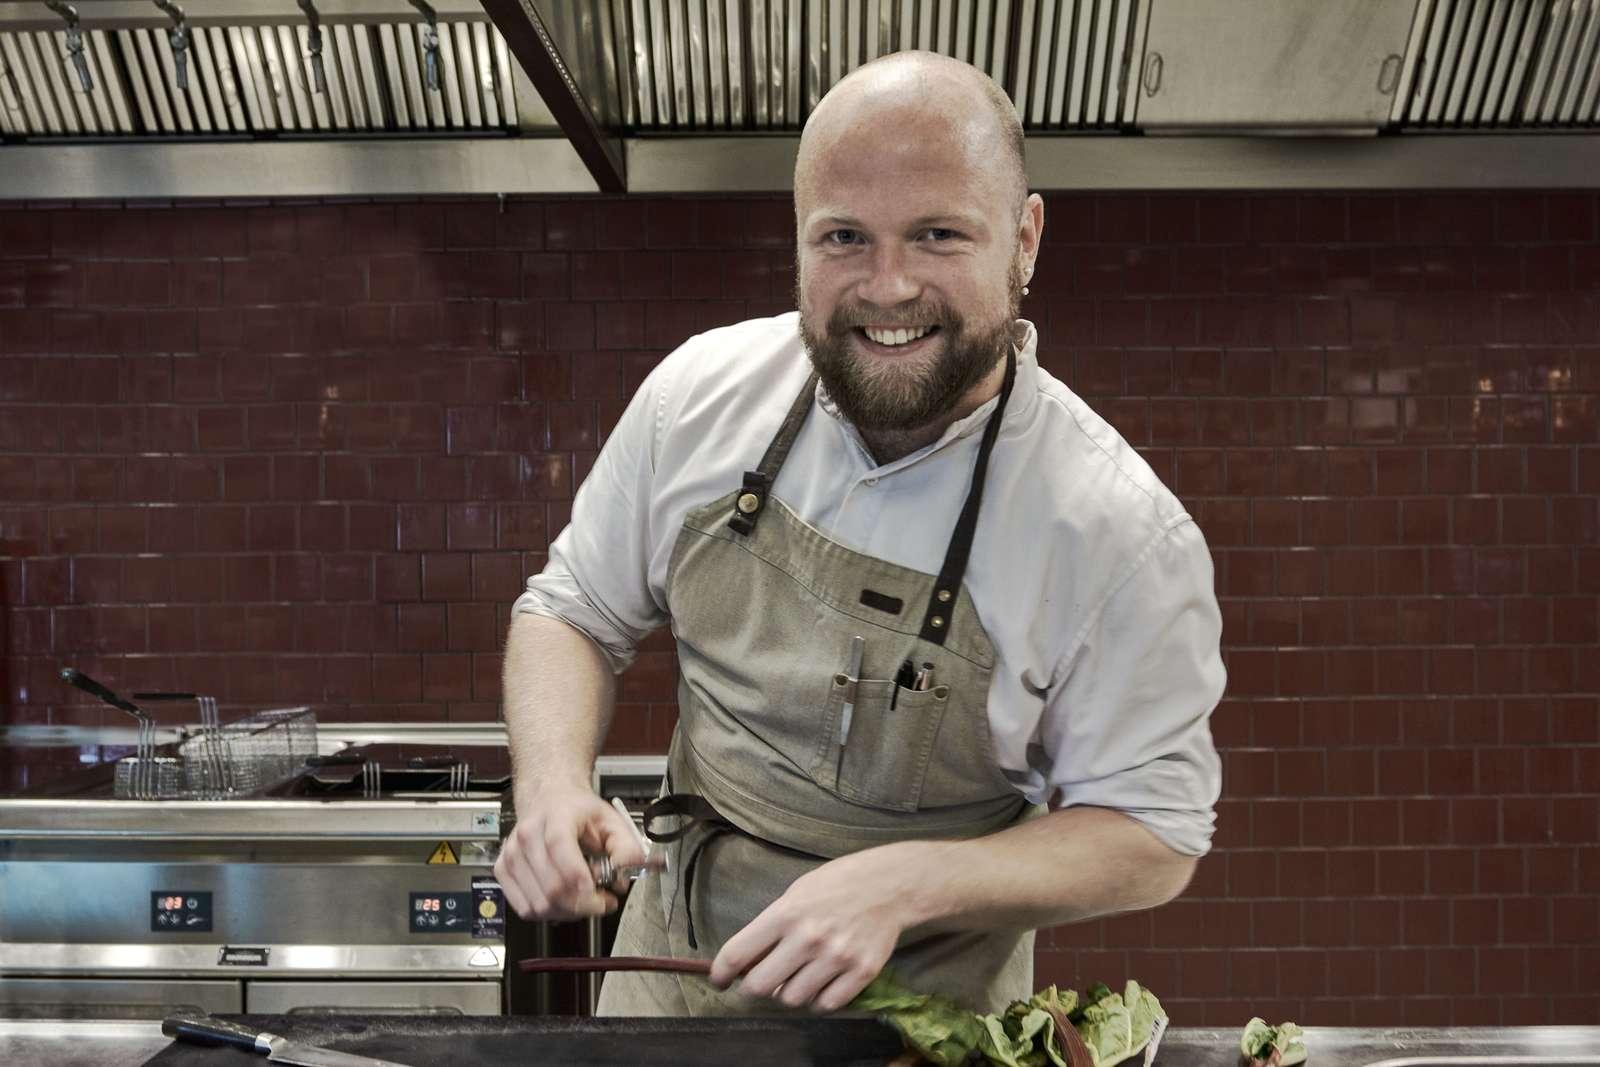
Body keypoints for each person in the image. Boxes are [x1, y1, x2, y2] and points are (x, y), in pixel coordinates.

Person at [493, 50, 1224, 1017]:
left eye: (937, 235)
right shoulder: (698, 397)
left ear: (1026, 239)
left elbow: (1152, 831)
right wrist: (550, 785)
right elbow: (571, 611)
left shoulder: (1115, 532)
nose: (887, 286)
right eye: (844, 237)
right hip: (669, 992)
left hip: (928, 1022)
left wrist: (906, 882)